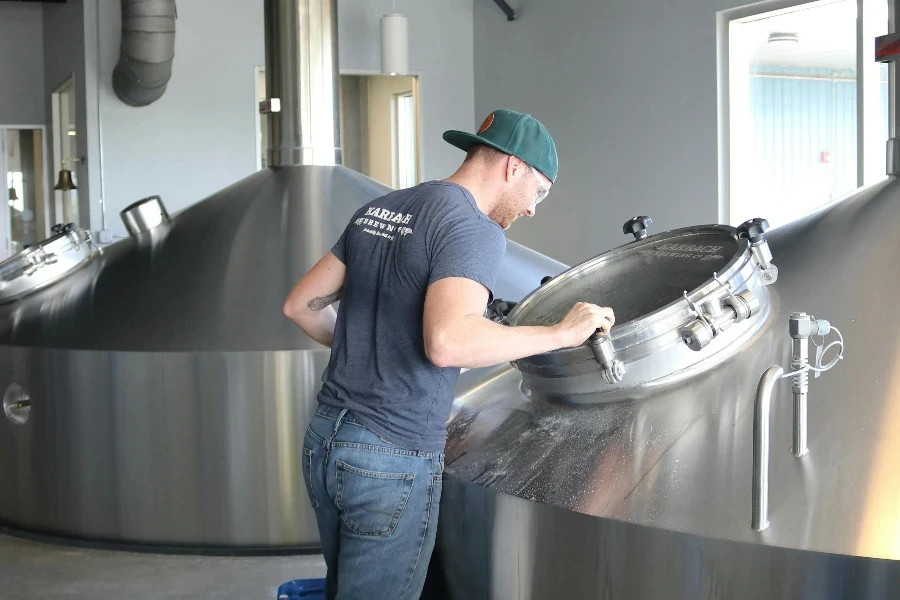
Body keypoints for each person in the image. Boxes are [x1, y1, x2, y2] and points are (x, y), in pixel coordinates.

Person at [283, 109, 615, 599]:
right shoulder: (474, 229)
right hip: (390, 452)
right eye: (539, 191)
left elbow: (300, 306)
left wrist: (376, 346)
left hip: (327, 440)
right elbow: (449, 342)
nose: (532, 209)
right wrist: (562, 333)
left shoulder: (382, 208)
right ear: (513, 167)